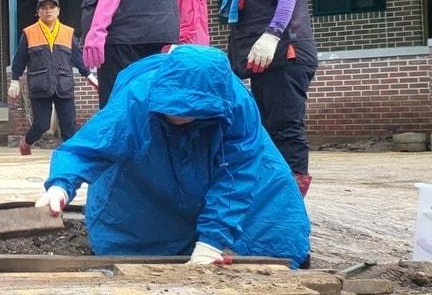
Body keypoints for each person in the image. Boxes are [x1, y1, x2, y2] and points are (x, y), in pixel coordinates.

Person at [35, 46, 309, 267]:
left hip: (220, 165)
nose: (177, 118)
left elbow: (236, 176)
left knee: (277, 236)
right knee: (127, 244)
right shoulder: (139, 99)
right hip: (149, 172)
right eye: (172, 110)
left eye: (188, 114)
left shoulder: (237, 109)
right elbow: (92, 143)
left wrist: (212, 241)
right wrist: (61, 184)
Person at [211, 0, 318, 196]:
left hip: (287, 54)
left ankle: (292, 197)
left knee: (285, 127)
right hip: (266, 59)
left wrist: (271, 35)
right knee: (268, 127)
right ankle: (274, 194)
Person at [8, 0, 94, 156]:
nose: (48, 11)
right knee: (41, 124)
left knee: (69, 127)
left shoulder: (68, 33)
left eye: (52, 7)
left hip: (64, 85)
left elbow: (78, 59)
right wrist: (14, 80)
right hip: (40, 85)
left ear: (58, 10)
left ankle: (69, 159)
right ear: (38, 12)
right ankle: (26, 142)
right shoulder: (29, 33)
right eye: (44, 8)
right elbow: (19, 59)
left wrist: (90, 76)